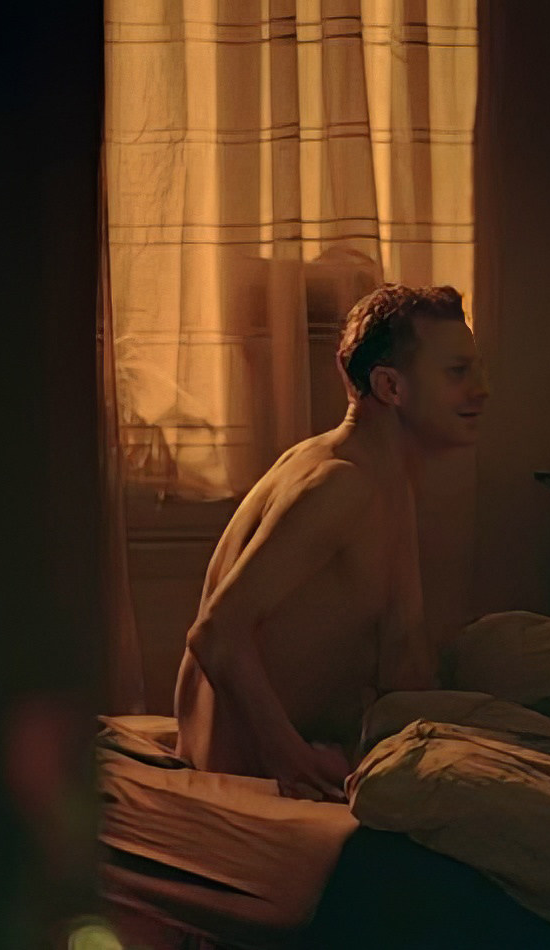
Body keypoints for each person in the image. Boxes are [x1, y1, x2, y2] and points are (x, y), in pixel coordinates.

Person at [173, 284, 489, 801]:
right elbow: (215, 634)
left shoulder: (378, 472)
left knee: (509, 658)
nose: (481, 390)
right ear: (390, 387)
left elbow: (405, 660)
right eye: (457, 373)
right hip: (251, 769)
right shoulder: (340, 484)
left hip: (320, 745)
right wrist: (290, 757)